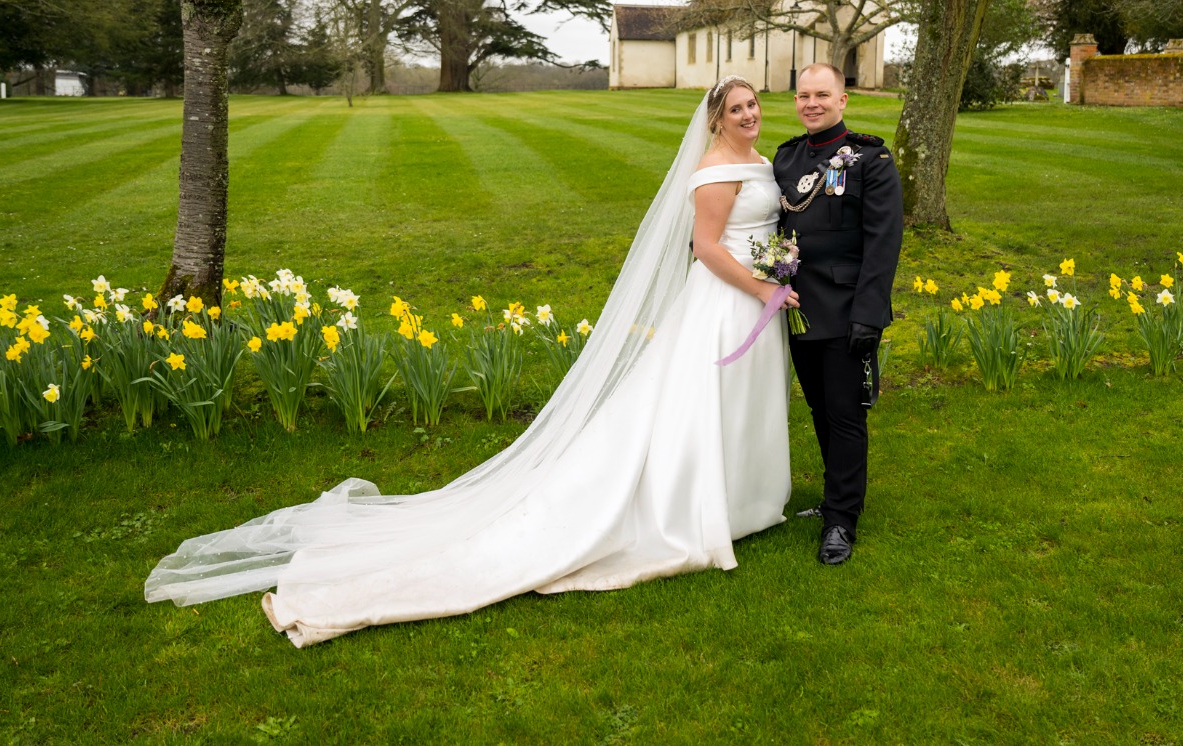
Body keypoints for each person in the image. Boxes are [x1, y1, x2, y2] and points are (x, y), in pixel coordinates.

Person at [145, 77, 794, 646]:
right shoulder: (714, 170)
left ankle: (745, 497)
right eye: (736, 108)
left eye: (753, 106)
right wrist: (766, 287)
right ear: (716, 118)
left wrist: (780, 268)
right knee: (705, 401)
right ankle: (699, 504)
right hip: (728, 299)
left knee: (739, 402)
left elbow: (765, 225)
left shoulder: (758, 160)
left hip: (756, 295)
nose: (748, 115)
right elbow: (706, 248)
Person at [772, 62, 903, 566]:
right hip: (797, 307)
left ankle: (842, 522)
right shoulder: (786, 159)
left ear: (843, 100)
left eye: (822, 95)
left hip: (847, 309)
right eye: (803, 96)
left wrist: (869, 315)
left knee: (846, 416)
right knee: (819, 411)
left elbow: (883, 242)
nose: (811, 104)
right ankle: (834, 499)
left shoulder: (871, 159)